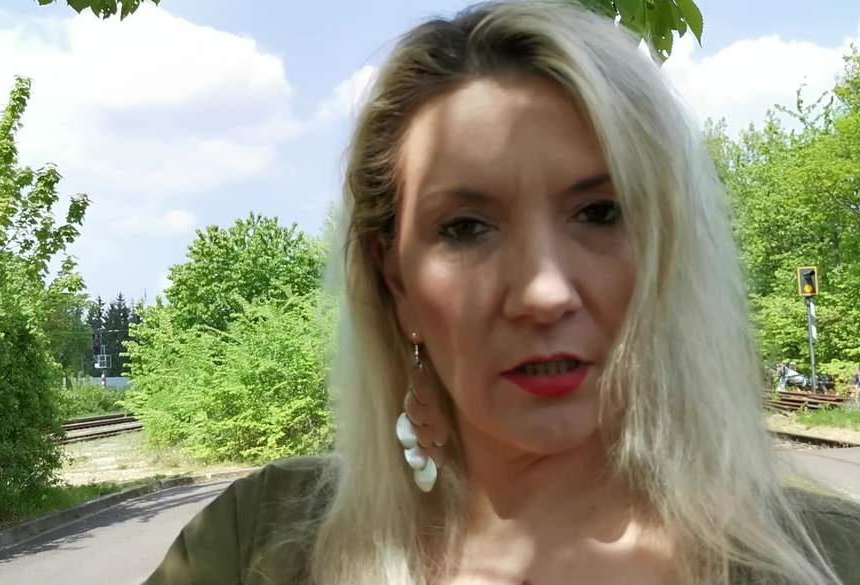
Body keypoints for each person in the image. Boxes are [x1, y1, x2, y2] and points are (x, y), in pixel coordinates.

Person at [143, 2, 860, 585]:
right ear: (396, 281)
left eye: (600, 212)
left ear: (665, 248)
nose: (545, 292)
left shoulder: (831, 559)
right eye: (466, 227)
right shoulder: (255, 546)